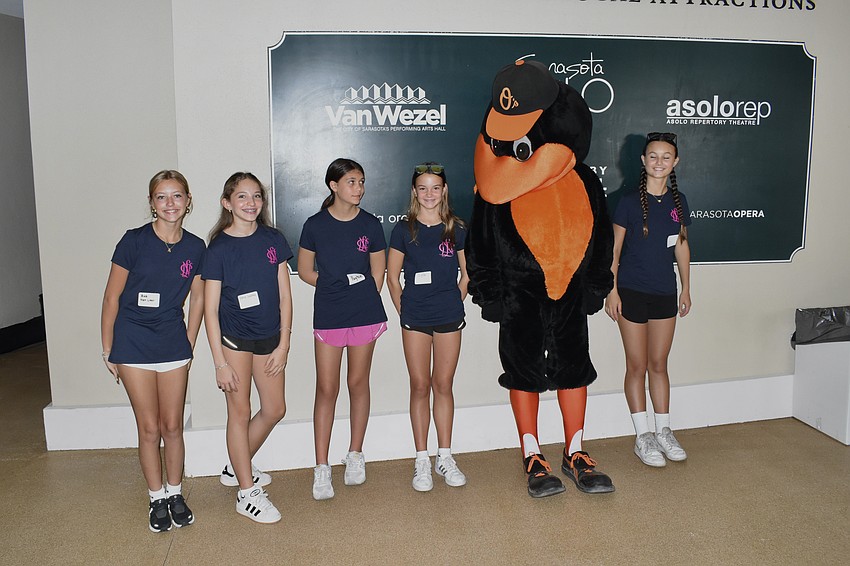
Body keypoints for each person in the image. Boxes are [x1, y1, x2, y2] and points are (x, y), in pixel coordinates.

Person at [101, 170, 205, 532]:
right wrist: (108, 348)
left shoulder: (196, 247)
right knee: (149, 428)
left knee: (173, 425)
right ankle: (156, 497)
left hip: (172, 341)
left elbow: (199, 299)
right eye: (162, 197)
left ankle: (175, 493)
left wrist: (189, 343)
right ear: (152, 203)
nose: (170, 203)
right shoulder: (133, 241)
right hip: (132, 342)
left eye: (177, 196)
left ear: (188, 201)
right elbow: (112, 296)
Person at [202, 172, 293, 523]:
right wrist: (219, 363)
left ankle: (234, 467)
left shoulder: (273, 239)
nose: (251, 203)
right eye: (242, 197)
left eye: (256, 196)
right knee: (239, 413)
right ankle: (246, 491)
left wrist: (284, 343)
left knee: (274, 408)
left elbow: (285, 296)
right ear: (228, 203)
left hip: (270, 338)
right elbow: (210, 309)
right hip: (235, 341)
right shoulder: (220, 248)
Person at [297, 158, 387, 501]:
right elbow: (306, 271)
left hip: (365, 313)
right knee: (327, 387)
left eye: (361, 182)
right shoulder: (314, 225)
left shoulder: (370, 224)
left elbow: (377, 272)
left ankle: (355, 454)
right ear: (334, 186)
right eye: (352, 182)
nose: (359, 188)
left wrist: (361, 293)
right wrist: (334, 285)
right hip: (330, 314)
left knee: (358, 383)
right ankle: (321, 466)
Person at [604, 132, 692, 468]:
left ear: (675, 162)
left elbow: (681, 245)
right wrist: (611, 291)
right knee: (637, 365)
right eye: (652, 156)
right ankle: (643, 436)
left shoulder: (679, 201)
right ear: (643, 161)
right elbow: (613, 251)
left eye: (666, 156)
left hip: (665, 294)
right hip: (631, 293)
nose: (659, 162)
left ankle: (664, 430)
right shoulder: (627, 201)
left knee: (659, 364)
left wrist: (686, 287)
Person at [387, 163, 469, 492]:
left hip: (448, 314)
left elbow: (467, 274)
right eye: (423, 188)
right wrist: (404, 309)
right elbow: (392, 278)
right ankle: (422, 458)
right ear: (414, 193)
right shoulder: (403, 230)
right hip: (416, 317)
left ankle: (444, 456)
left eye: (436, 187)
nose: (430, 194)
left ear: (444, 190)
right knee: (420, 385)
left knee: (443, 384)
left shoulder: (457, 228)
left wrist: (454, 299)